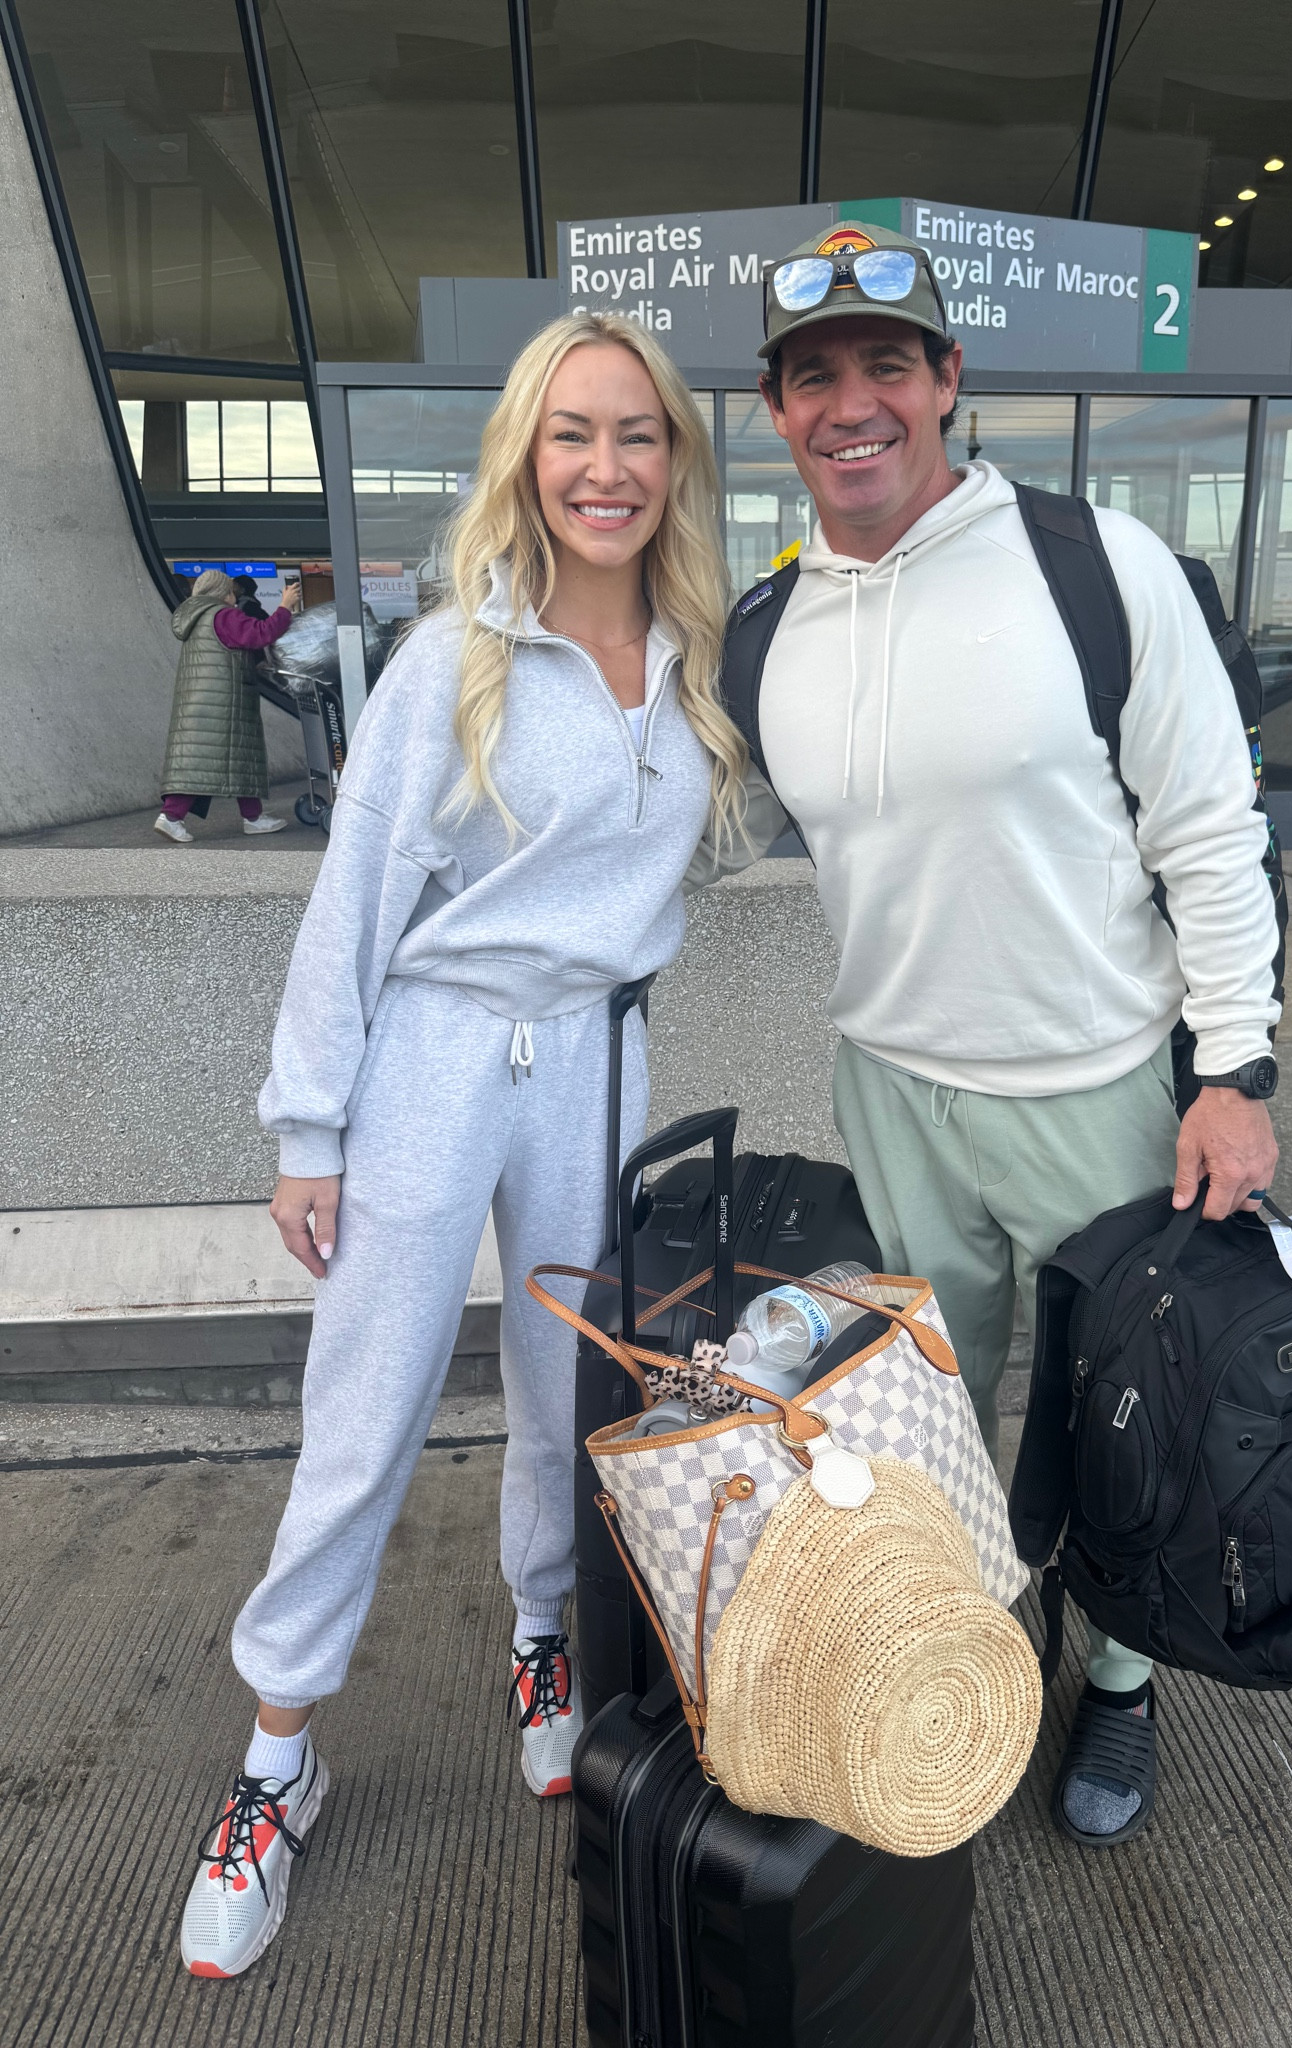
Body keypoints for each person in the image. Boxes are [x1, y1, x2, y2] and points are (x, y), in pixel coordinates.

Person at [697, 223, 1281, 1849]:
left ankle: (1115, 1681)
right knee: (926, 1422)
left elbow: (1211, 829)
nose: (854, 402)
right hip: (888, 1086)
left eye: (889, 362)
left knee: (1125, 1427)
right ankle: (957, 1652)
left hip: (1093, 1090)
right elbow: (687, 830)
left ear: (948, 381)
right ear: (775, 408)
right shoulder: (766, 626)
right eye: (816, 375)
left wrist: (1231, 1070)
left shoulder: (1095, 566)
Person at [178, 311, 746, 1978]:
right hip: (435, 1053)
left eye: (635, 434)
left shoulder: (701, 658)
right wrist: (310, 1128)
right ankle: (277, 1760)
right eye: (571, 434)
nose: (603, 467)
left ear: (674, 460)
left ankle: (544, 1636)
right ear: (525, 453)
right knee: (366, 1412)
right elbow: (352, 897)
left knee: (580, 1395)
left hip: (600, 1056)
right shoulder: (455, 657)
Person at [155, 568, 298, 841]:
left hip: (204, 702)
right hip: (223, 704)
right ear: (222, 593)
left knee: (231, 759)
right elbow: (260, 634)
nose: (235, 596)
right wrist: (284, 607)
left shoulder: (196, 618)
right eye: (231, 591)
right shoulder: (222, 615)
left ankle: (253, 817)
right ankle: (171, 816)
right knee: (204, 763)